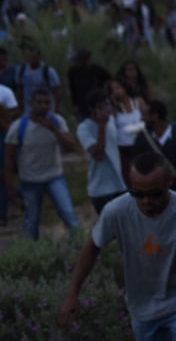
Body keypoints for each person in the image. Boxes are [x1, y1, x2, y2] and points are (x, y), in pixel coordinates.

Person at [59, 152, 176, 341]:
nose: (146, 201)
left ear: (169, 182)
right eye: (137, 193)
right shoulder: (117, 211)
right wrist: (72, 294)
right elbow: (91, 248)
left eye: (154, 194)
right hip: (141, 310)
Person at [5, 88, 82, 240]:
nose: (43, 106)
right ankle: (31, 255)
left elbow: (71, 147)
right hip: (30, 180)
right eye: (39, 102)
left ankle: (81, 245)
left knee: (69, 215)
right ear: (30, 103)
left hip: (54, 176)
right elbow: (9, 158)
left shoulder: (57, 121)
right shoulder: (18, 127)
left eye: (46, 102)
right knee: (31, 223)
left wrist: (54, 130)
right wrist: (10, 188)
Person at [76, 88, 126, 214]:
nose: (107, 109)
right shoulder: (84, 128)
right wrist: (101, 126)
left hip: (119, 185)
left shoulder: (112, 122)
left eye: (107, 104)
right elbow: (98, 155)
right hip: (101, 189)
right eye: (102, 107)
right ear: (93, 110)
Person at [131, 100, 176, 192]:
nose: (142, 119)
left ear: (155, 116)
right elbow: (136, 163)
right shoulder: (142, 138)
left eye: (145, 115)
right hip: (153, 191)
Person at [108, 78, 146, 183]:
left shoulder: (138, 102)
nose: (116, 91)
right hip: (124, 147)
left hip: (141, 143)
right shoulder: (114, 108)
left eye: (118, 87)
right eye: (113, 89)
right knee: (129, 175)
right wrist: (113, 104)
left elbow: (147, 118)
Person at [67, 49, 111, 120]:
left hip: (97, 103)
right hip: (82, 104)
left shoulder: (98, 69)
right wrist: (75, 105)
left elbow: (109, 80)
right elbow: (73, 89)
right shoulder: (73, 71)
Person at [18, 45, 62, 111]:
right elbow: (19, 88)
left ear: (39, 57)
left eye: (33, 57)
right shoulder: (22, 70)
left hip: (46, 107)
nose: (31, 59)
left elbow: (56, 91)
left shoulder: (48, 71)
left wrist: (57, 108)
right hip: (28, 108)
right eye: (29, 56)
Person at [0, 77, 16, 225]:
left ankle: (3, 214)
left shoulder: (5, 92)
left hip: (2, 137)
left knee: (3, 176)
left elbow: (8, 120)